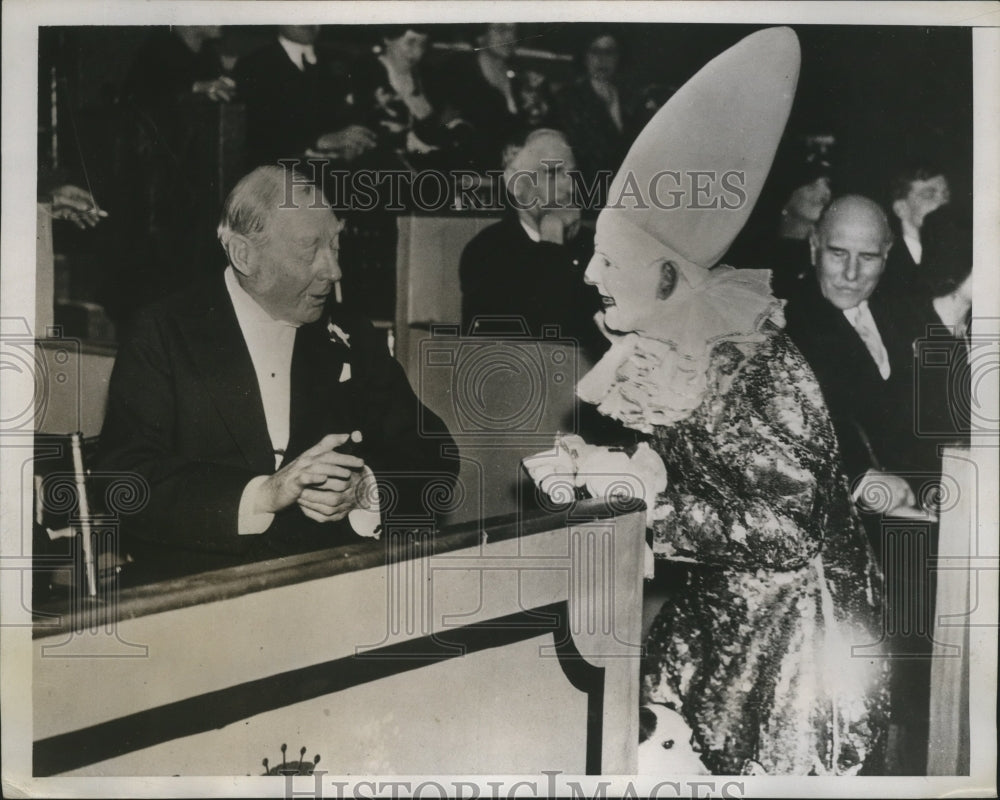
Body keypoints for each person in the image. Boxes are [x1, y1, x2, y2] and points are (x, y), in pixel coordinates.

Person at [524, 28, 888, 775]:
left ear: (665, 280)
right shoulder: (675, 346)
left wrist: (652, 502)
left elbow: (786, 531)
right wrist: (614, 465)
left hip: (794, 642)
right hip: (725, 608)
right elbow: (705, 468)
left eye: (611, 260)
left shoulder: (747, 363)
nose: (592, 273)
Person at [98, 166, 456, 572]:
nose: (334, 270)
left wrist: (366, 489)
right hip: (199, 599)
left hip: (330, 590)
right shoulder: (163, 333)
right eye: (311, 250)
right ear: (244, 255)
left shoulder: (350, 334)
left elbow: (434, 452)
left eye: (335, 246)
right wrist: (263, 495)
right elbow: (124, 482)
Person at [459, 129, 605, 362]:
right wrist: (552, 242)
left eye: (572, 175)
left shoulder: (597, 246)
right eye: (553, 173)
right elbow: (527, 347)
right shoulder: (487, 252)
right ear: (515, 184)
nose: (570, 188)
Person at [235, 26, 376, 167]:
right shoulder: (253, 65)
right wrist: (318, 141)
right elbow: (256, 132)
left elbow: (356, 114)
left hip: (340, 167)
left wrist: (354, 141)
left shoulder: (342, 60)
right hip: (280, 170)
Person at [555, 29, 638, 208]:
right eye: (595, 51)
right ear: (584, 56)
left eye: (609, 52)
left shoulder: (629, 97)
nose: (602, 59)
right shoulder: (570, 97)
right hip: (586, 195)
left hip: (625, 195)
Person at [878, 164, 951, 300]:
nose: (943, 202)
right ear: (901, 209)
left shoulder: (958, 253)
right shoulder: (885, 266)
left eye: (946, 195)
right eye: (929, 195)